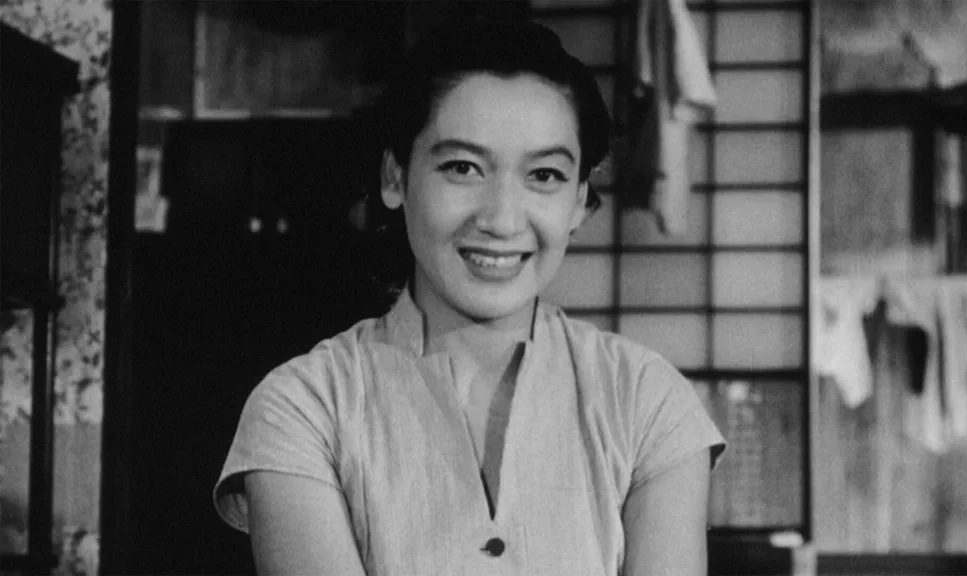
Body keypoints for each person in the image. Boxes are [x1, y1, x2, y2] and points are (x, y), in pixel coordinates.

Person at [213, 16, 725, 576]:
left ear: (580, 200)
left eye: (545, 176)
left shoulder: (646, 401)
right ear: (395, 177)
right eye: (462, 168)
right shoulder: (304, 407)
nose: (502, 219)